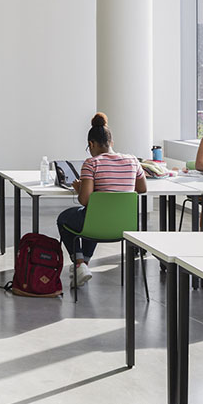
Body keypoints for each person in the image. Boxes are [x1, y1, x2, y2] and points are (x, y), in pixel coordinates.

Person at [56, 113, 147, 286]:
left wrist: (79, 188)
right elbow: (142, 189)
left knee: (65, 219)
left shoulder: (91, 163)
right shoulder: (133, 160)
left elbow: (84, 200)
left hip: (98, 223)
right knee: (95, 216)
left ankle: (80, 263)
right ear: (111, 142)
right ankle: (84, 266)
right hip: (125, 226)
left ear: (91, 144)